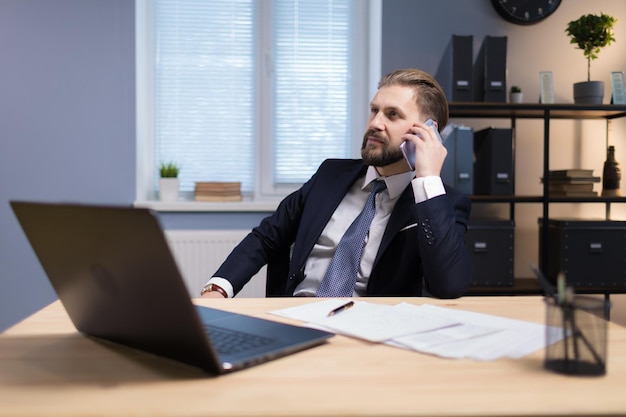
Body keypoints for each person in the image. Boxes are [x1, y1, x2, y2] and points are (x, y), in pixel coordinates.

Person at [201, 68, 472, 299]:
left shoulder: (441, 202)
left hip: (370, 336)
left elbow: (448, 285)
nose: (375, 123)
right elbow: (267, 237)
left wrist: (428, 180)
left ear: (427, 132)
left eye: (392, 115)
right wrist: (219, 287)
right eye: (374, 110)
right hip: (294, 317)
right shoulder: (331, 175)